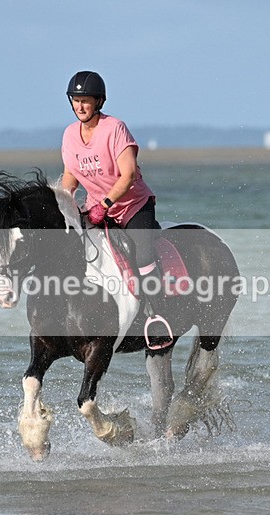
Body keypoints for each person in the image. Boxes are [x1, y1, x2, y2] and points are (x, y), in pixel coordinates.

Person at [60, 70, 171, 348]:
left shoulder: (115, 128)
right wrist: (66, 205)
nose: (80, 106)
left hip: (132, 206)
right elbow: (70, 177)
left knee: (144, 255)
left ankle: (157, 318)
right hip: (96, 208)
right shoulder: (70, 135)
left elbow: (129, 174)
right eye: (75, 100)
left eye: (85, 100)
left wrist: (106, 205)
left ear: (99, 101)